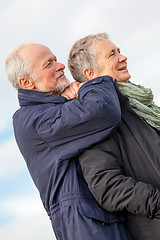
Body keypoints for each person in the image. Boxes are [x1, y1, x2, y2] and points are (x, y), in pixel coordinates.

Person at [5, 43, 131, 240]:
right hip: (89, 227)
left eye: (56, 59)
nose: (60, 65)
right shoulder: (34, 120)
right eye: (48, 64)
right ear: (27, 83)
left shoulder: (51, 109)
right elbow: (103, 111)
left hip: (99, 220)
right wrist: (91, 84)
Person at [67, 32, 160, 240]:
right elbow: (108, 186)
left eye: (119, 51)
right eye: (111, 54)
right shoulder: (95, 120)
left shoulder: (141, 106)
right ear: (91, 73)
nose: (122, 57)